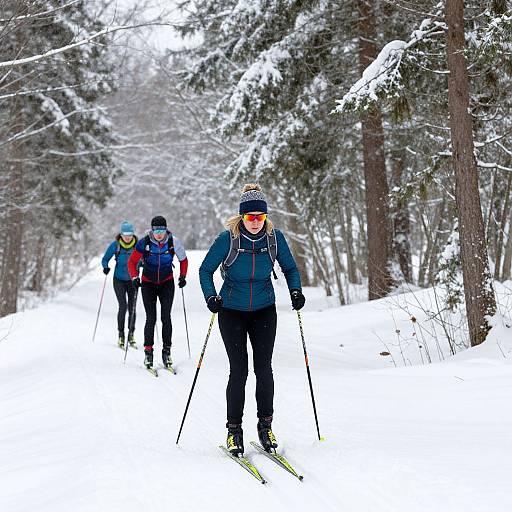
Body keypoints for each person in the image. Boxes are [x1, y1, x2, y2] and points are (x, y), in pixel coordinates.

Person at [199, 184, 306, 456]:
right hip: (231, 310)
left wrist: (296, 291)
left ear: (266, 217)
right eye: (250, 217)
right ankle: (234, 431)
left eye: (260, 216)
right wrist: (211, 297)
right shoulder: (228, 239)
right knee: (239, 371)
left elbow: (290, 267)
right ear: (242, 217)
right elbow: (205, 270)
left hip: (264, 310)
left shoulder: (274, 238)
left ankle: (265, 426)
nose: (256, 222)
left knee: (264, 369)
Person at [128, 215, 188, 370]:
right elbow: (132, 262)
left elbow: (184, 259)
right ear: (152, 230)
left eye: (162, 230)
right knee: (151, 318)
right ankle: (148, 352)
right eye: (156, 230)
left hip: (167, 283)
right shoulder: (145, 242)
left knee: (165, 317)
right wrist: (134, 277)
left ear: (166, 229)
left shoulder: (173, 242)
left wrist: (182, 276)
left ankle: (167, 351)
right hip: (148, 283)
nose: (159, 233)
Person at [102, 221, 139, 348]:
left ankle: (131, 334)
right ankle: (121, 335)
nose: (128, 237)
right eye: (125, 234)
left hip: (133, 280)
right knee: (123, 306)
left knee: (132, 308)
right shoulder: (116, 245)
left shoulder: (138, 246)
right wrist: (105, 267)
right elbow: (105, 259)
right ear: (121, 234)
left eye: (130, 234)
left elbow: (146, 258)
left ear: (133, 234)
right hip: (119, 280)